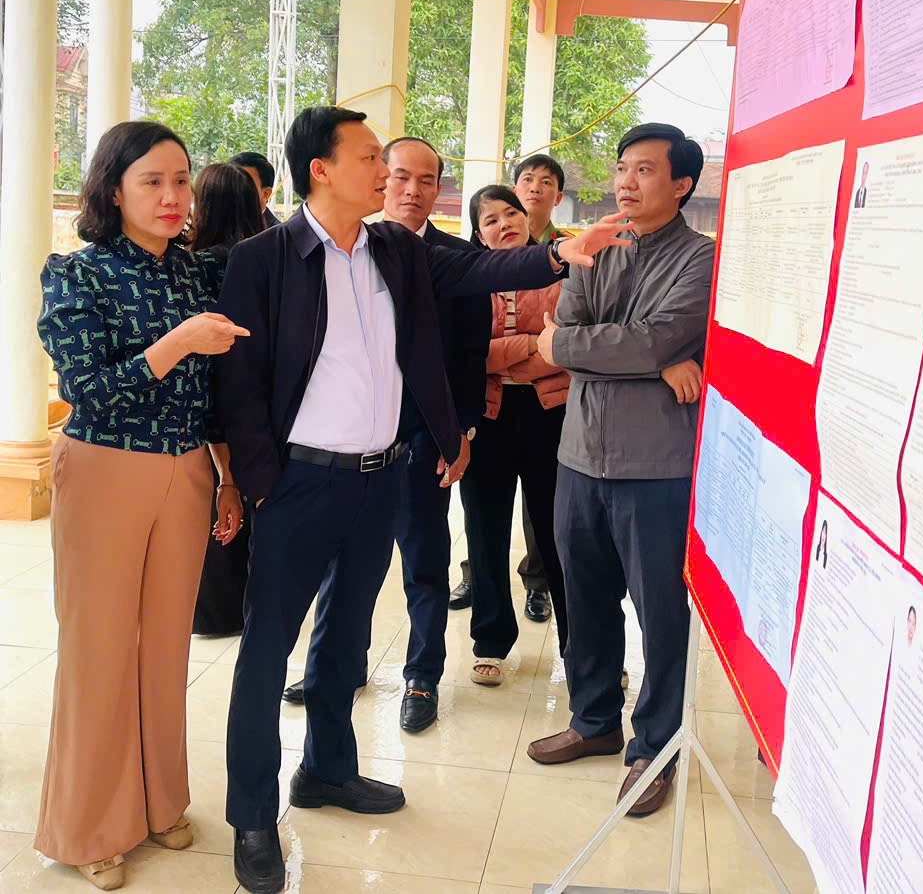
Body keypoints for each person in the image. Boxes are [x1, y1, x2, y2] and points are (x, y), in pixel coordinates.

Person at [213, 106, 633, 893]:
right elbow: (237, 386)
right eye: (372, 158)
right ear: (321, 170)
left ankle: (327, 769)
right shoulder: (263, 260)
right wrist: (261, 484)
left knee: (345, 634)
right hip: (297, 484)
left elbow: (477, 272)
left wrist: (558, 254)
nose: (387, 174)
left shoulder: (397, 250)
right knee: (268, 649)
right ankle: (253, 814)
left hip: (377, 479)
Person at [35, 121, 249, 891]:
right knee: (98, 652)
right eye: (152, 181)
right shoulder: (77, 274)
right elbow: (86, 388)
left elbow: (211, 395)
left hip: (187, 471)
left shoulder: (196, 273)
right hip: (104, 467)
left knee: (164, 649)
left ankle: (160, 802)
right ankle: (88, 826)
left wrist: (226, 477)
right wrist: (177, 342)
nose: (171, 196)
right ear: (113, 190)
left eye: (181, 180)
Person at [527, 122, 713, 820]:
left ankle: (654, 748)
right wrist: (649, 360)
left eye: (645, 170)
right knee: (585, 596)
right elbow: (565, 336)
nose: (626, 183)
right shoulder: (595, 246)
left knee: (660, 611)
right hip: (578, 455)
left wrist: (640, 352)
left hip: (655, 465)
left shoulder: (701, 257)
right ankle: (595, 719)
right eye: (622, 168)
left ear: (682, 184)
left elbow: (652, 338)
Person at [278, 135, 490, 732]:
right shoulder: (343, 251)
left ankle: (422, 675)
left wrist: (460, 430)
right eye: (400, 176)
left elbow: (470, 356)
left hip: (422, 440)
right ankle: (340, 667)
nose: (412, 190)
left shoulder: (455, 258)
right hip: (348, 447)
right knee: (343, 566)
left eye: (427, 180)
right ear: (379, 178)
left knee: (424, 562)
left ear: (439, 189)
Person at [460, 184, 572, 686]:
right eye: (490, 220)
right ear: (478, 234)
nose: (504, 223)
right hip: (487, 416)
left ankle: (578, 646)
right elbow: (466, 352)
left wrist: (508, 352)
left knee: (558, 534)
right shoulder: (467, 278)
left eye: (511, 213)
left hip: (552, 414)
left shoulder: (562, 272)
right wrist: (530, 344)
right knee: (485, 532)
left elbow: (567, 345)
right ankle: (490, 641)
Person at [188, 163, 265, 638]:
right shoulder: (264, 259)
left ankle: (216, 613)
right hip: (259, 404)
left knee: (216, 505)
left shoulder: (195, 266)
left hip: (207, 402)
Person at [510, 153, 568, 621]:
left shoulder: (570, 253)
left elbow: (569, 331)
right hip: (493, 394)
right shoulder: (487, 244)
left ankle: (539, 581)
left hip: (548, 395)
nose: (535, 187)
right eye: (527, 179)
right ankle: (477, 574)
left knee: (542, 500)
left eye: (546, 181)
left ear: (558, 195)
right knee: (485, 504)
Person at [228, 150, 280, 228]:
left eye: (243, 187)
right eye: (229, 184)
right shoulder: (216, 227)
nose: (233, 191)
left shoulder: (277, 234)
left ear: (266, 194)